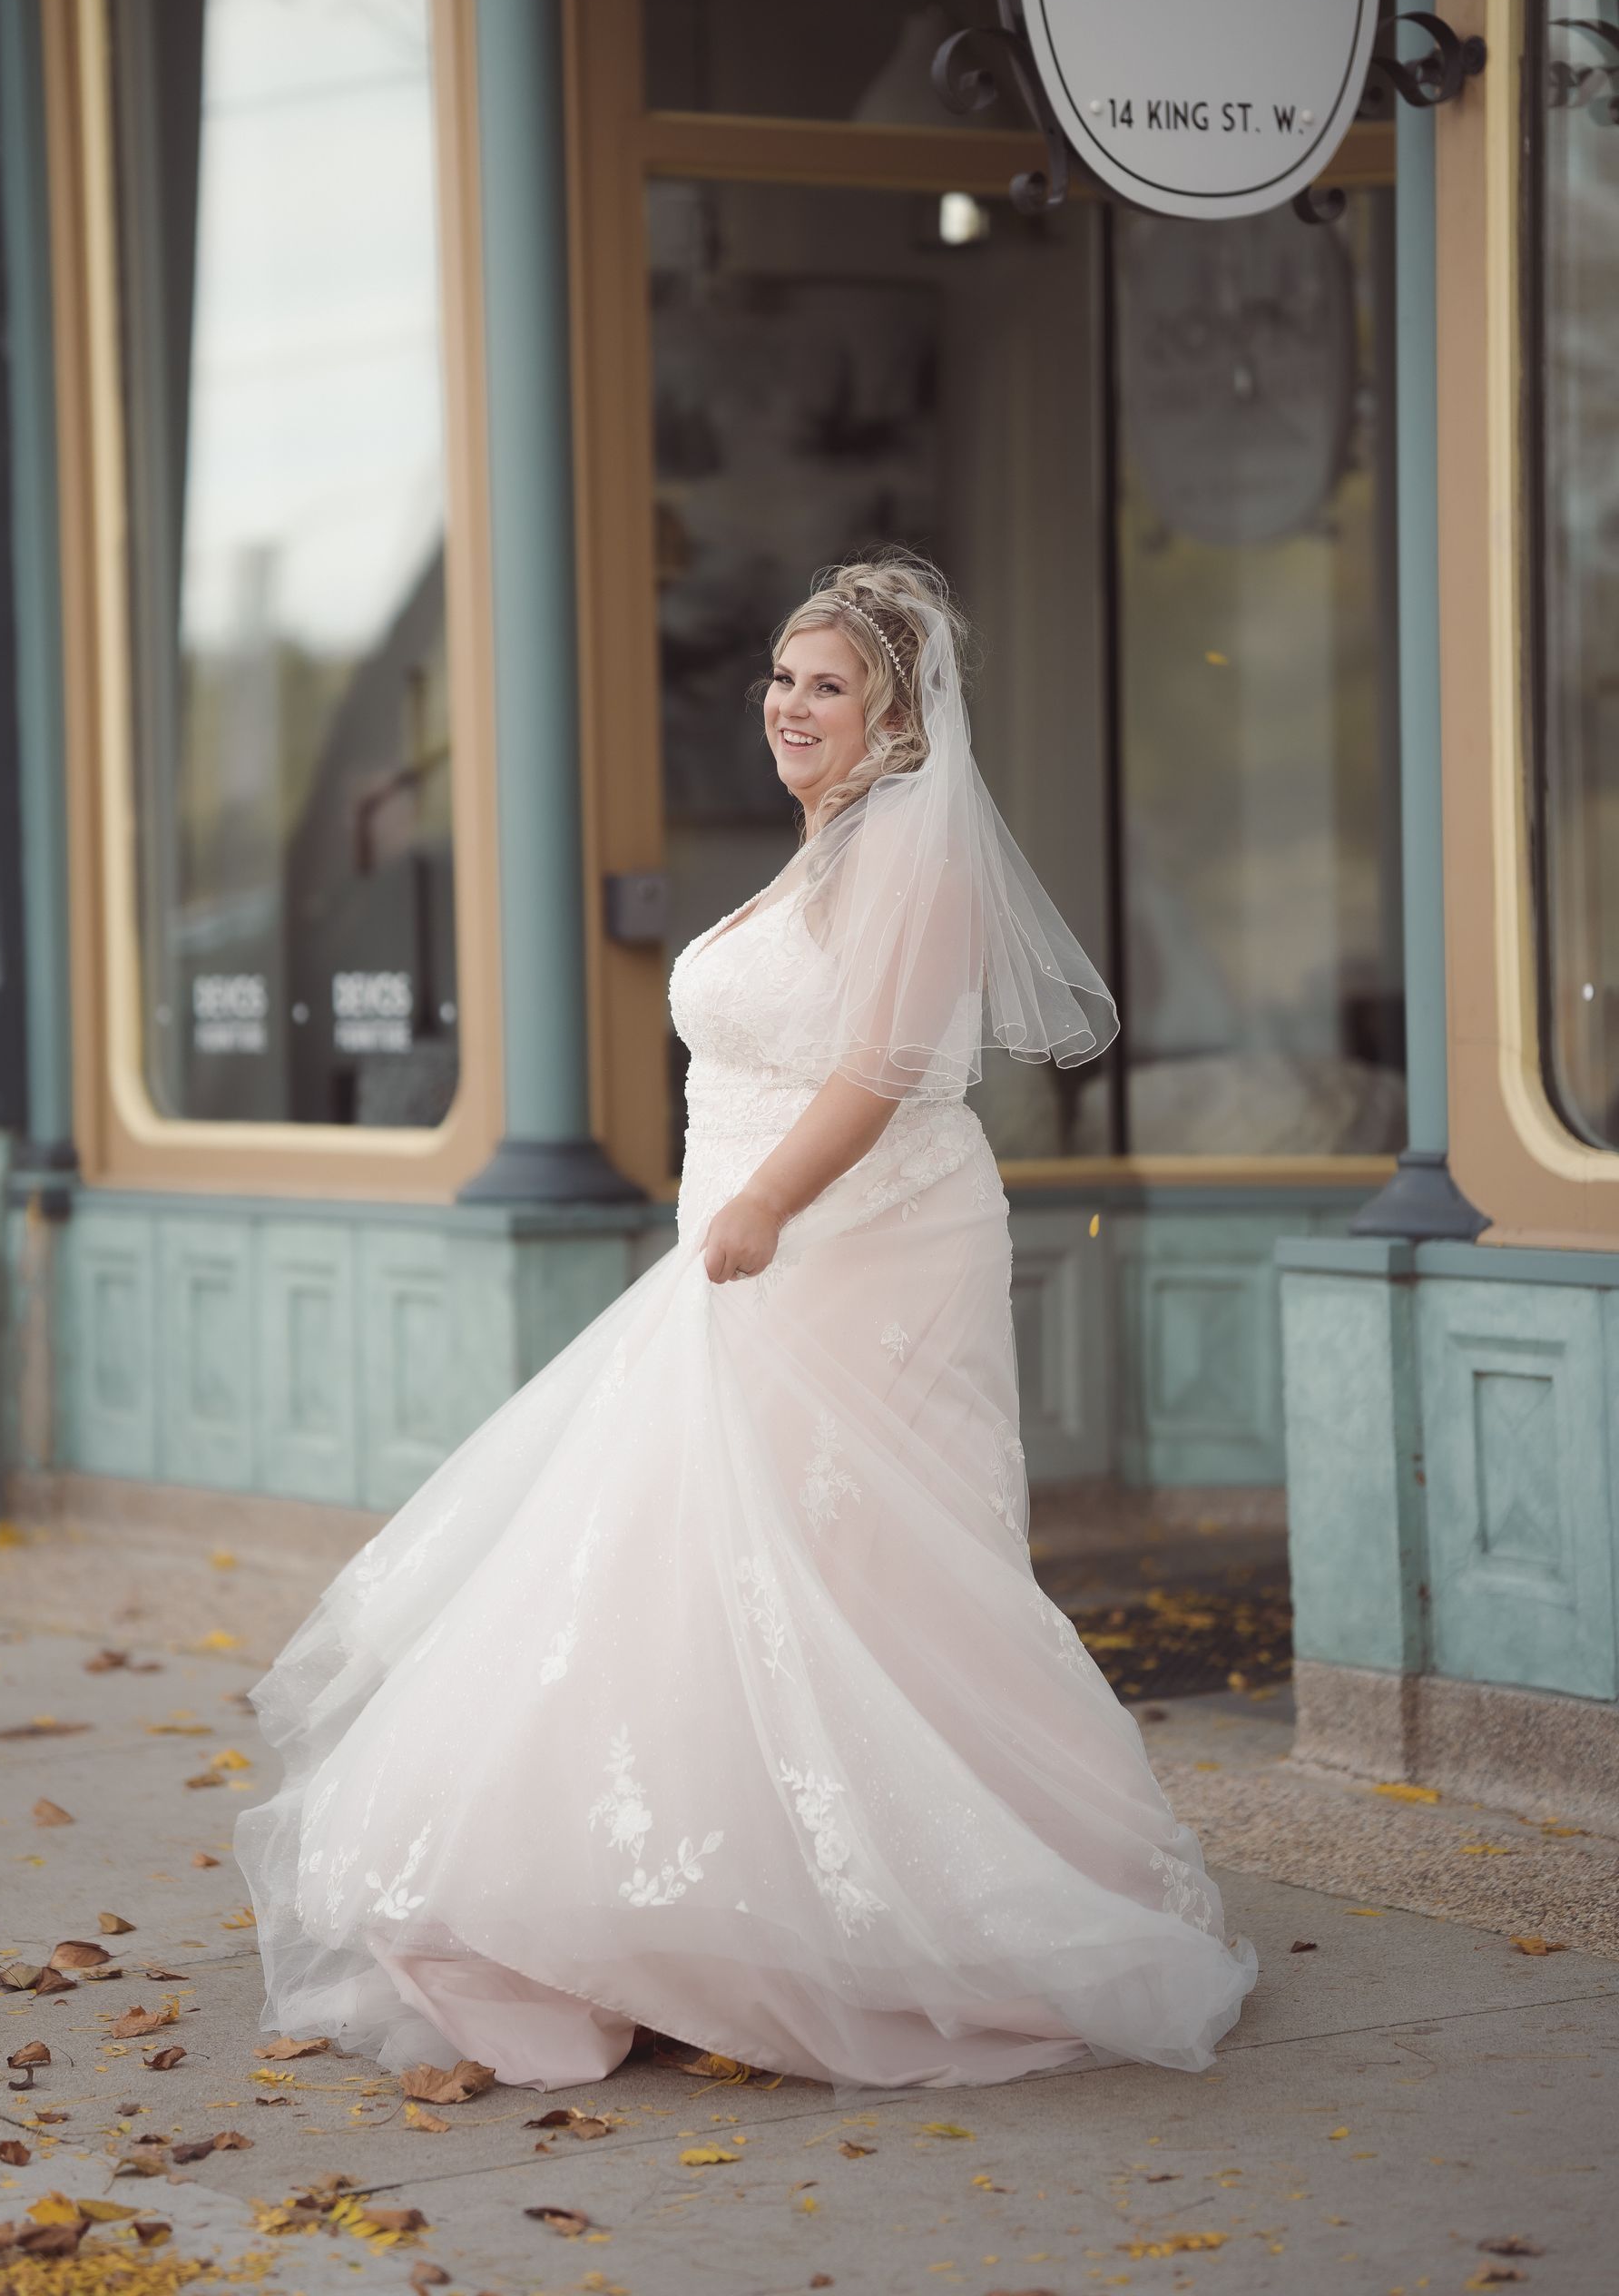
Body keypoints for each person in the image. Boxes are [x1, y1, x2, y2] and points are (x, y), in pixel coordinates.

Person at [234, 551, 1257, 2091]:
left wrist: (767, 1207)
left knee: (848, 1562)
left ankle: (874, 1912)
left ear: (898, 716)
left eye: (827, 685)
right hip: (754, 1243)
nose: (790, 705)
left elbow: (883, 1069)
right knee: (703, 1558)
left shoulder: (913, 839)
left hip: (858, 1244)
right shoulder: (826, 843)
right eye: (782, 678)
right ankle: (687, 1900)